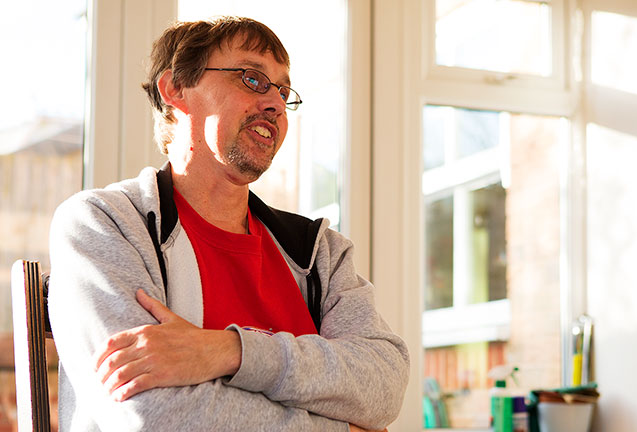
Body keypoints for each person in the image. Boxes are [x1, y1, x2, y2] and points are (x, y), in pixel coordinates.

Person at [48, 16, 409, 432]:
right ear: (176, 89)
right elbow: (152, 415)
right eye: (252, 79)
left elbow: (385, 385)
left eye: (284, 90)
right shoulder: (104, 224)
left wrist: (230, 351)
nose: (275, 103)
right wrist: (343, 427)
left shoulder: (320, 251)